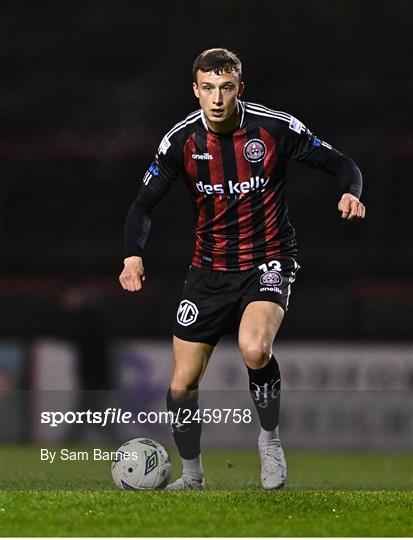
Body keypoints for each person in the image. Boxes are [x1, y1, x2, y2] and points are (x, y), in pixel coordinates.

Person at [119, 48, 366, 490]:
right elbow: (142, 204)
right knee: (181, 384)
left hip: (269, 258)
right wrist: (132, 255)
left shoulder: (273, 128)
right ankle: (192, 477)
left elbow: (342, 163)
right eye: (208, 88)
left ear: (240, 88)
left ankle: (269, 441)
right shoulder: (181, 141)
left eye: (226, 87)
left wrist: (351, 191)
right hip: (209, 269)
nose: (217, 98)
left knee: (255, 349)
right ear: (195, 90)